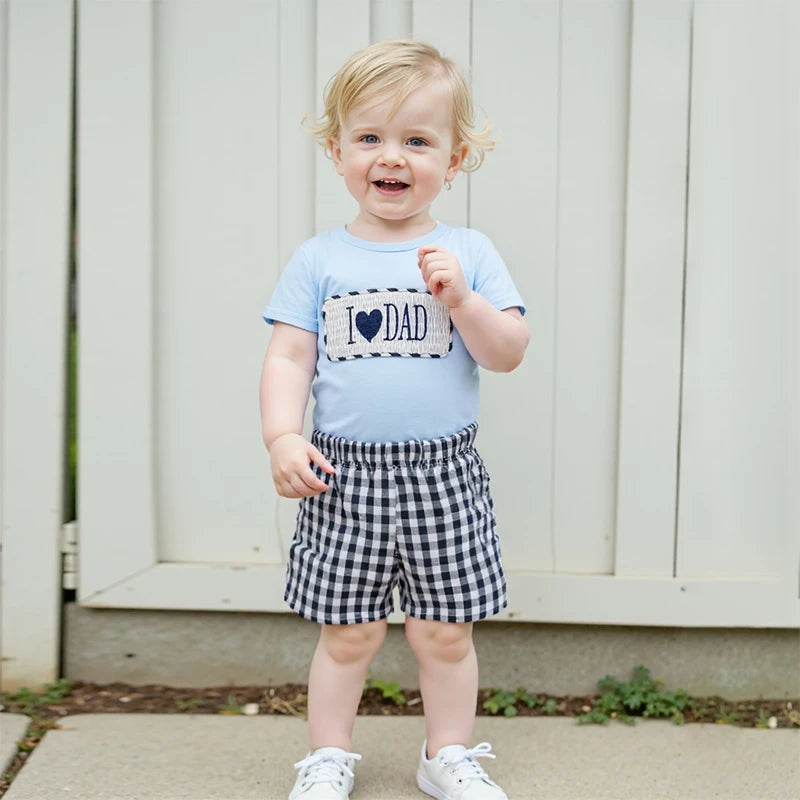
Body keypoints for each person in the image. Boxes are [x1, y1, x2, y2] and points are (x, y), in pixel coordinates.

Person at [260, 39, 528, 800]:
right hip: (343, 476)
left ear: (456, 158)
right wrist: (283, 436)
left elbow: (507, 352)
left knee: (444, 631)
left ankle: (447, 754)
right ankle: (327, 757)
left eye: (417, 140)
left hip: (443, 474)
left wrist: (463, 301)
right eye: (370, 137)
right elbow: (289, 357)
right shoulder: (319, 259)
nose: (391, 157)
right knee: (348, 633)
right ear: (338, 150)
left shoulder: (468, 252)